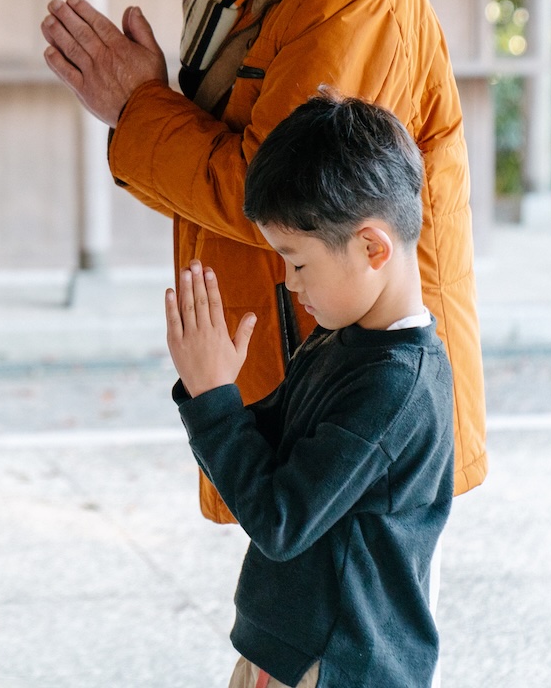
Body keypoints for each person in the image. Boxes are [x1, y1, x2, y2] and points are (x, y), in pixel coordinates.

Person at [40, 0, 485, 526]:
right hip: (306, 366)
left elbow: (280, 199)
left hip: (369, 393)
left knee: (342, 640)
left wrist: (139, 109)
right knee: (283, 630)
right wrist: (142, 109)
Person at [165, 94, 452, 688]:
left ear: (373, 248)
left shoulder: (396, 387)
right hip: (293, 650)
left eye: (297, 264)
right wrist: (212, 388)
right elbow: (272, 456)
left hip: (336, 664)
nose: (291, 285)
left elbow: (280, 519)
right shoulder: (343, 337)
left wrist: (216, 398)